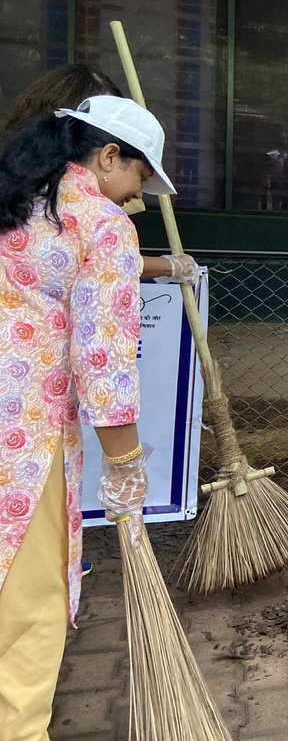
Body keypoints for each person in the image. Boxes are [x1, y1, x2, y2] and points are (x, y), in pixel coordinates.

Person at [0, 96, 175, 736]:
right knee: (29, 601)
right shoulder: (98, 223)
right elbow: (102, 361)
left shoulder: (18, 202)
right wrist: (127, 466)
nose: (139, 196)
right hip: (23, 439)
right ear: (106, 156)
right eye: (139, 177)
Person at [4, 64, 197, 285]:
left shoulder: (26, 191)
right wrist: (169, 266)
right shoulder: (99, 215)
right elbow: (104, 270)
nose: (139, 193)